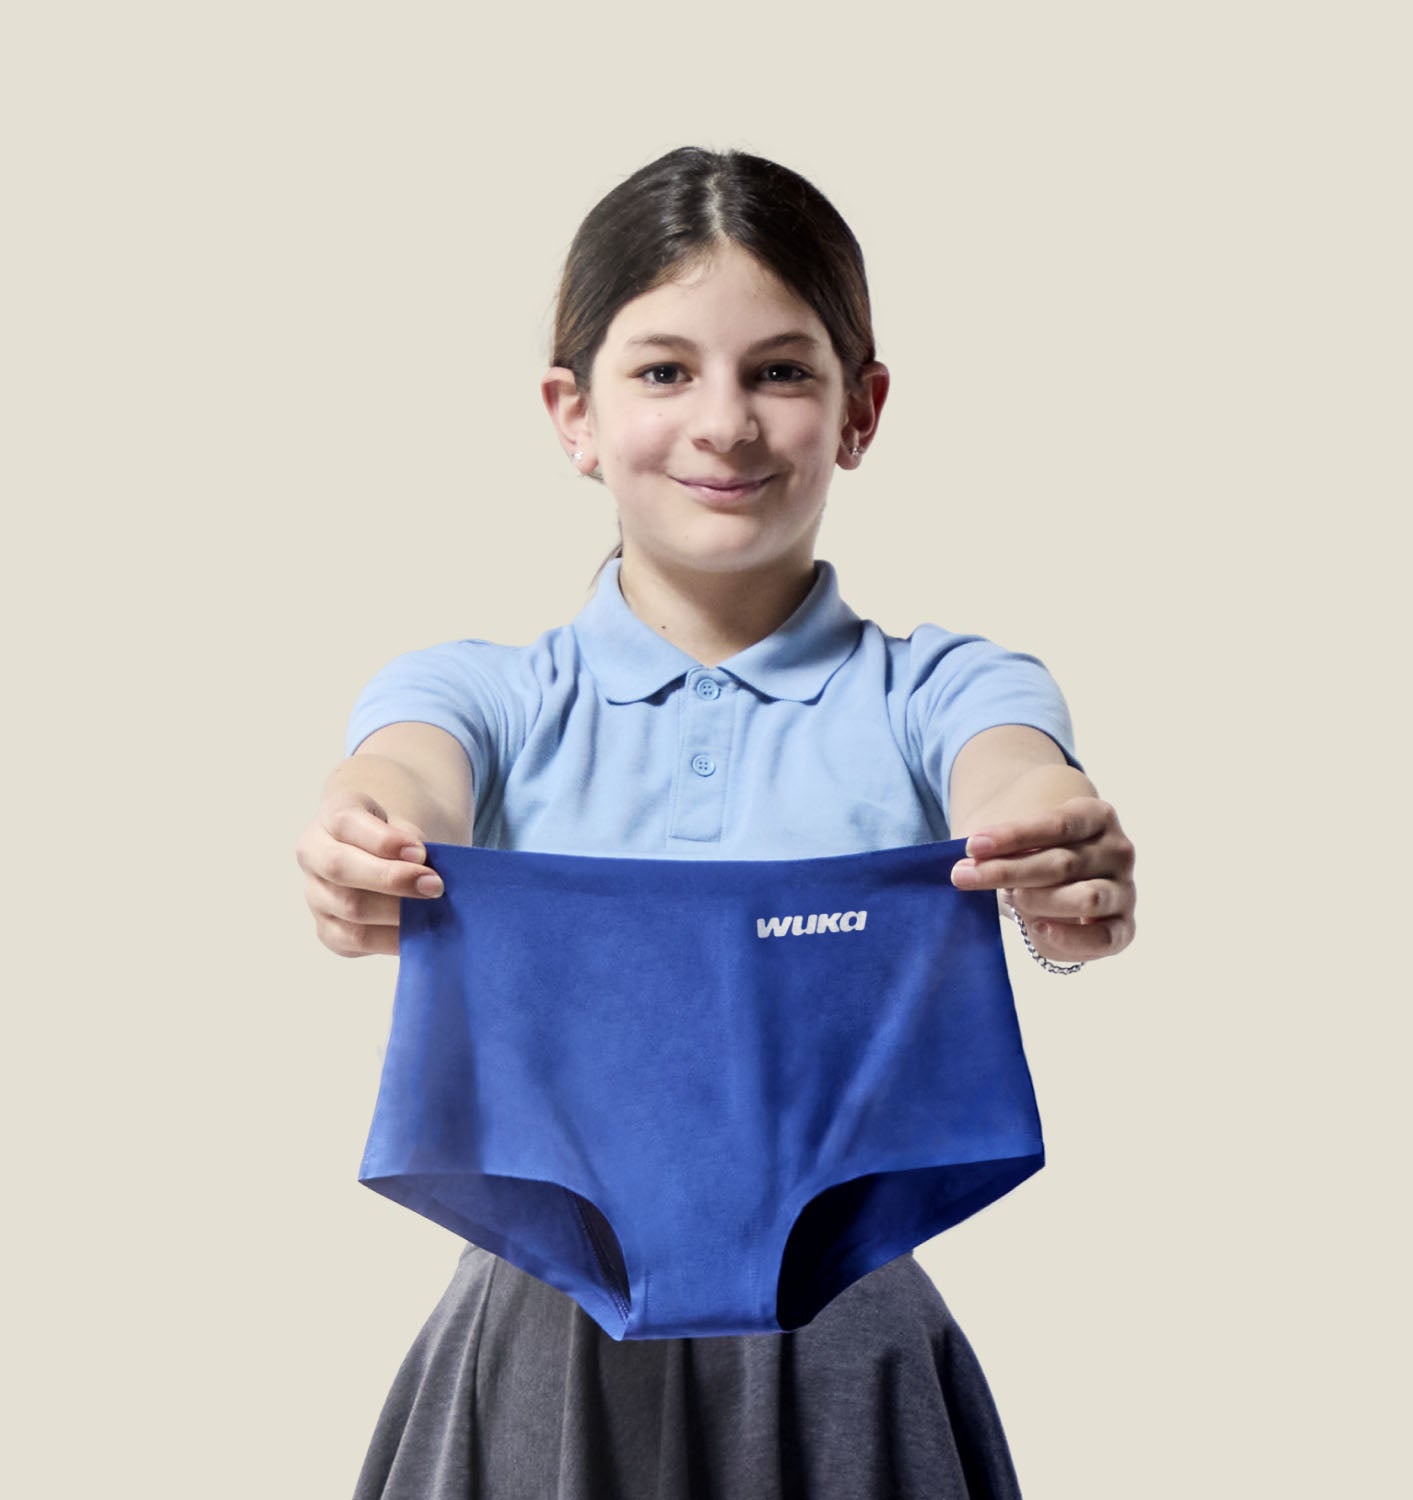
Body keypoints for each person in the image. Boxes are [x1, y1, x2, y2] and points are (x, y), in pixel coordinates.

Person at [295, 146, 1136, 1499]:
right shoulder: (485, 693)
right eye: (665, 369)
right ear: (573, 413)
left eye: (781, 371)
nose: (726, 422)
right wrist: (365, 833)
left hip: (850, 1328)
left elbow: (1015, 774)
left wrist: (1053, 847)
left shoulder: (942, 688)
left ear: (861, 410)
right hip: (537, 1330)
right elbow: (404, 773)